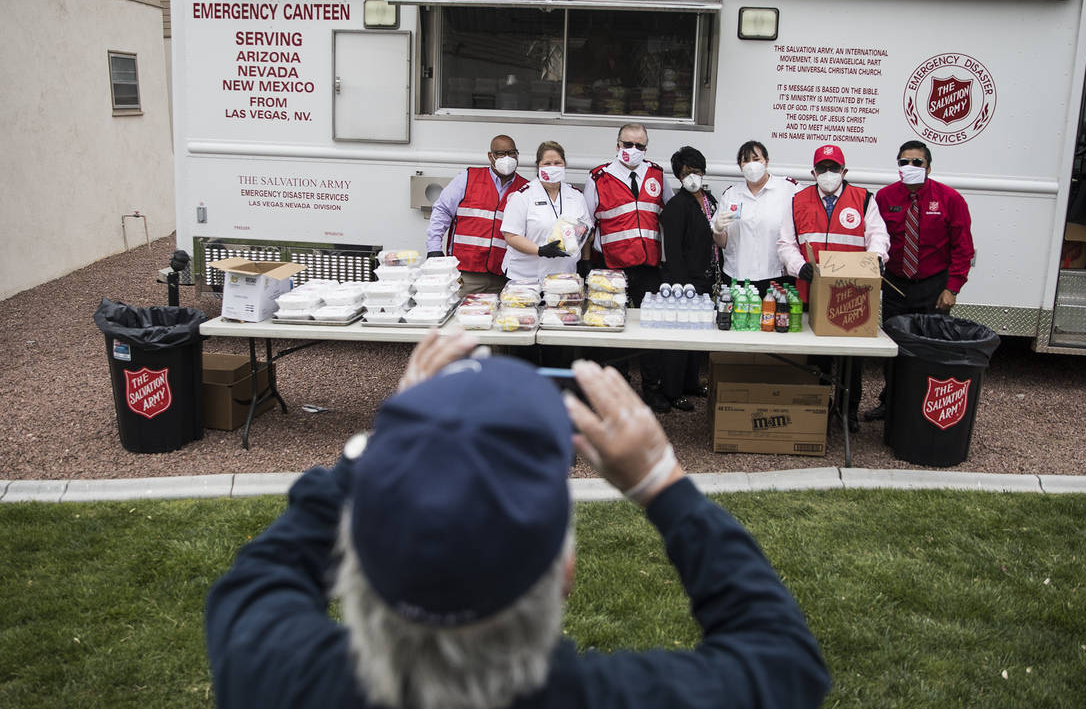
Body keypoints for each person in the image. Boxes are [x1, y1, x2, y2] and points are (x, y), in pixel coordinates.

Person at [205, 330, 832, 709]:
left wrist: (388, 438)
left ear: (356, 563)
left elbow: (264, 574)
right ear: (565, 571)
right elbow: (781, 657)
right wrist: (659, 481)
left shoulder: (280, 679)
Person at [778, 143, 890, 432]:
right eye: (822, 168)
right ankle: (818, 409)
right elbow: (786, 243)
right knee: (818, 359)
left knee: (852, 360)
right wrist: (796, 266)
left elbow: (878, 235)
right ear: (813, 172)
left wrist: (877, 259)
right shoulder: (797, 200)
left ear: (845, 171)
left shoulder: (864, 199)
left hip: (853, 295)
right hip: (813, 292)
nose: (828, 173)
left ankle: (847, 412)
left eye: (834, 168)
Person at [863, 140, 975, 423]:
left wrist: (952, 288)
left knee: (931, 349)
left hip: (934, 288)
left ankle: (925, 408)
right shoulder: (884, 198)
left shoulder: (950, 199)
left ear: (929, 167)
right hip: (896, 286)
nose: (910, 167)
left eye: (917, 163)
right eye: (904, 162)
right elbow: (874, 238)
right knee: (894, 348)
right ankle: (892, 403)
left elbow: (963, 248)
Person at [583, 122, 673, 411]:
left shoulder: (657, 175)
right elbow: (586, 225)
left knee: (651, 330)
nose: (632, 150)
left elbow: (670, 218)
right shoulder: (599, 177)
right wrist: (585, 263)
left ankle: (652, 388)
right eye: (627, 144)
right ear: (617, 144)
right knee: (611, 331)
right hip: (611, 266)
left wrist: (670, 264)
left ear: (646, 148)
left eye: (639, 146)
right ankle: (615, 391)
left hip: (649, 267)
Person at [658, 145, 719, 411]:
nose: (692, 176)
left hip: (706, 277)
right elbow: (673, 253)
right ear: (678, 177)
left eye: (696, 171)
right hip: (684, 283)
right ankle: (672, 390)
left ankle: (692, 382)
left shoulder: (709, 200)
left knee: (698, 336)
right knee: (678, 340)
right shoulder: (676, 206)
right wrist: (683, 287)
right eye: (686, 173)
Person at [426, 134, 528, 294]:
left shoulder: (525, 189)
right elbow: (442, 210)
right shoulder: (468, 178)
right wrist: (434, 249)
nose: (507, 158)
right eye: (501, 154)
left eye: (512, 153)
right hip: (466, 274)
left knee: (505, 319)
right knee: (460, 316)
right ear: (490, 156)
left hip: (504, 277)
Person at [712, 140, 796, 297]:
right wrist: (717, 230)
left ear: (766, 161)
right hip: (738, 277)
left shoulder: (788, 189)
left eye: (756, 159)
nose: (751, 165)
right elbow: (723, 242)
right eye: (746, 161)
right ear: (740, 166)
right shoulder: (731, 194)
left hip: (775, 277)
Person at [500, 141, 591, 282]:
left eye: (557, 163)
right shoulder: (523, 196)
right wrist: (540, 250)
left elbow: (587, 233)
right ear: (538, 166)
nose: (552, 167)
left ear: (564, 164)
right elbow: (511, 236)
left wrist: (586, 260)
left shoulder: (576, 196)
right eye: (547, 164)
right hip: (526, 278)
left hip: (564, 277)